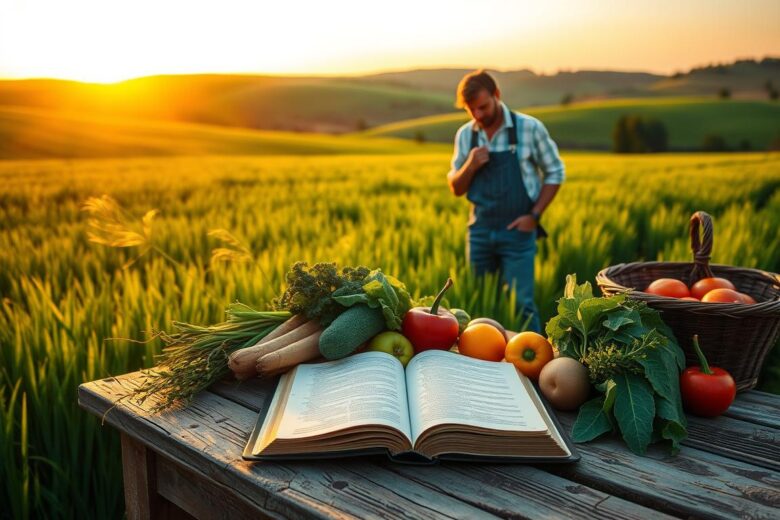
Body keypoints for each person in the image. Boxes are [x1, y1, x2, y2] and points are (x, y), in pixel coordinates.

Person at [446, 70, 565, 333]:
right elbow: (456, 187)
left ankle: (535, 367)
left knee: (522, 305)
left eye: (483, 107)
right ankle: (482, 364)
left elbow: (555, 172)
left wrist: (533, 217)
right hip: (479, 231)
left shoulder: (529, 128)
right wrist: (471, 164)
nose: (477, 115)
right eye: (470, 110)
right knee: (479, 305)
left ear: (497, 95)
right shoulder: (466, 135)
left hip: (518, 233)